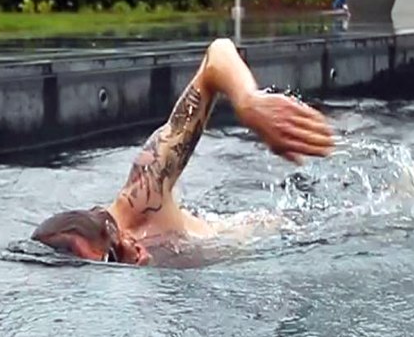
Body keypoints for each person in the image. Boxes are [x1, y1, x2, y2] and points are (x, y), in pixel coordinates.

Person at [31, 38, 335, 266]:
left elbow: (218, 56)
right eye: (112, 261)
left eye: (112, 249)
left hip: (293, 233)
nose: (129, 250)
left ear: (109, 226)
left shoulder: (142, 196)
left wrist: (247, 101)